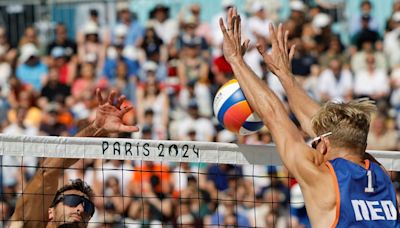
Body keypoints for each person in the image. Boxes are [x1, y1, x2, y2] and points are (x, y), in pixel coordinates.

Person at [219, 8, 399, 227]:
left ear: (324, 145)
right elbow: (326, 129)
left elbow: (274, 116)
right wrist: (286, 77)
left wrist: (235, 60)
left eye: (316, 142)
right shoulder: (381, 174)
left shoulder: (322, 178)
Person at [9, 88, 139, 227]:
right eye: (72, 201)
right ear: (51, 212)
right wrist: (96, 128)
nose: (81, 209)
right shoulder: (30, 223)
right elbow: (49, 171)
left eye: (88, 207)